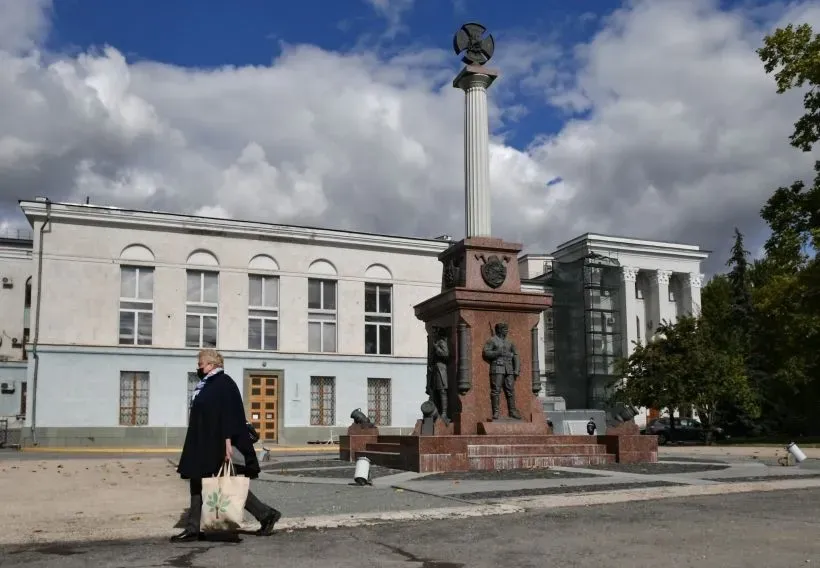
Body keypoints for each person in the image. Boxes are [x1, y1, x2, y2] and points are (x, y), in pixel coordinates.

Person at [172, 349, 281, 542]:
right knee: (197, 479)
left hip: (217, 442)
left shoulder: (224, 383)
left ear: (212, 365)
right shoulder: (206, 384)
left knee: (226, 484)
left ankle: (266, 514)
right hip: (201, 440)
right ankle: (192, 528)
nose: (198, 367)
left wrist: (227, 443)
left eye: (201, 364)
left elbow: (230, 414)